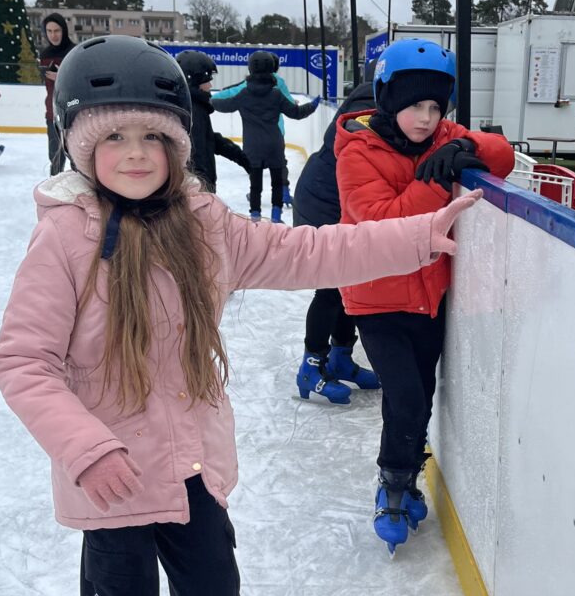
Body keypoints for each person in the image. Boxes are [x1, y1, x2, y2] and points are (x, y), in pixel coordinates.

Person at [0, 35, 480, 596]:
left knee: (215, 586)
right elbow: (24, 362)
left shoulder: (202, 223)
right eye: (114, 137)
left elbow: (305, 249)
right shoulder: (67, 238)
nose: (136, 154)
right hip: (111, 482)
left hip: (186, 462)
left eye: (153, 137)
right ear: (81, 144)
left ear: (179, 142)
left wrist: (419, 234)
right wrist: (85, 447)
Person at [335, 38, 515, 553]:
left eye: (437, 107)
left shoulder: (443, 136)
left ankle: (409, 476)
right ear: (390, 99)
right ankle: (391, 484)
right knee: (406, 397)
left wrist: (468, 150)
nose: (426, 118)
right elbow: (383, 223)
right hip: (376, 298)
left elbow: (502, 153)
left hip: (429, 298)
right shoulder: (357, 152)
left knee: (421, 397)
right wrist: (439, 181)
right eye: (416, 105)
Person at [293, 77, 380, 404]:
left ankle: (340, 356)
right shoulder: (365, 112)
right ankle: (310, 366)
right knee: (331, 287)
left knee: (353, 284)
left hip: (337, 202)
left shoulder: (374, 104)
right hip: (324, 205)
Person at [210, 50, 320, 222]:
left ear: (251, 69)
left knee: (255, 185)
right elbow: (296, 112)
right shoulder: (276, 94)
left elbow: (222, 104)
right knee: (276, 182)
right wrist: (312, 106)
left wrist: (205, 100)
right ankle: (276, 216)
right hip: (274, 145)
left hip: (252, 147)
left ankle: (255, 216)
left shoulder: (244, 94)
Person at [177, 49, 251, 193]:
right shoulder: (194, 110)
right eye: (207, 81)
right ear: (194, 81)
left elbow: (209, 138)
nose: (210, 86)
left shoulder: (195, 106)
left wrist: (240, 157)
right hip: (198, 189)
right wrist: (203, 188)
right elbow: (195, 153)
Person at [39, 12, 75, 174]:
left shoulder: (74, 52)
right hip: (52, 113)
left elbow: (81, 82)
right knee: (55, 157)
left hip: (73, 111)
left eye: (57, 30)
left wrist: (62, 76)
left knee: (77, 157)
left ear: (64, 30)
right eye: (49, 31)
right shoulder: (45, 55)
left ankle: (82, 193)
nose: (53, 35)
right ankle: (55, 194)